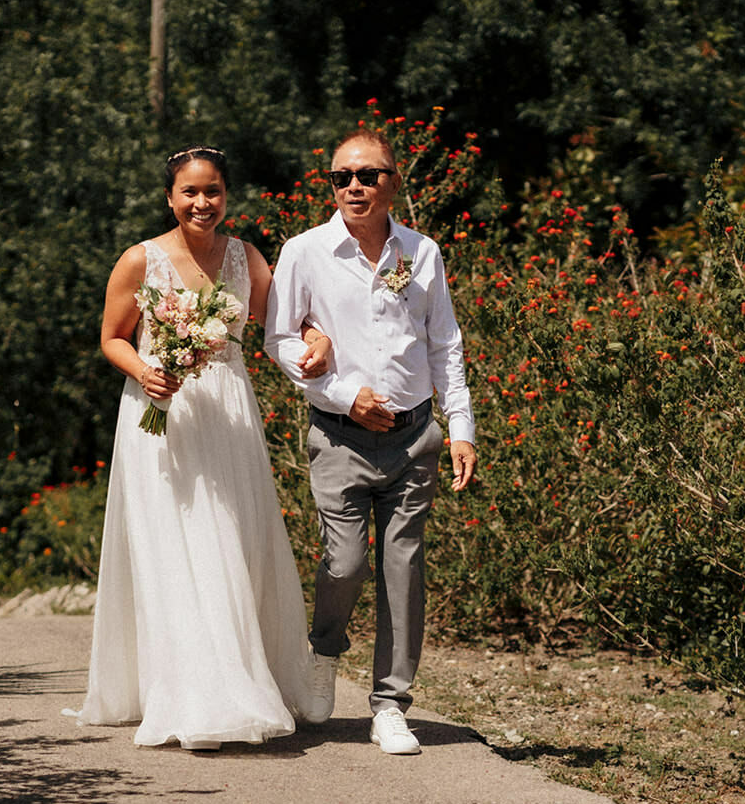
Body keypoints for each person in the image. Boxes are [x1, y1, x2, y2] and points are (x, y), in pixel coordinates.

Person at [65, 146, 328, 750]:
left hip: (229, 416)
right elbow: (111, 338)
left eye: (212, 191)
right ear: (170, 197)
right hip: (161, 415)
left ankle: (240, 680)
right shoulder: (140, 260)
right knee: (174, 546)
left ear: (225, 196)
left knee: (232, 541)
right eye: (190, 192)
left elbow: (280, 319)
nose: (202, 203)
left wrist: (316, 334)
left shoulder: (246, 257)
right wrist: (143, 369)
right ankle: (191, 692)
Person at [264, 128, 477, 755]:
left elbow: (445, 343)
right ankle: (324, 650)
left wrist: (460, 427)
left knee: (403, 566)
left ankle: (390, 703)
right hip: (340, 438)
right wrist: (340, 393)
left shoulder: (422, 252)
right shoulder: (305, 252)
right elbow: (278, 340)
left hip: (415, 437)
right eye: (342, 177)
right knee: (347, 561)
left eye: (369, 175)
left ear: (394, 181)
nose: (355, 187)